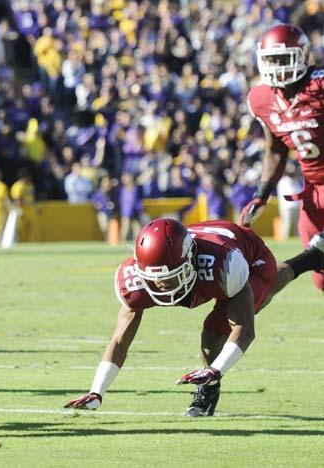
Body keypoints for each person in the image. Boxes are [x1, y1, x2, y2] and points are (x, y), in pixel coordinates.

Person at [65, 218, 324, 416]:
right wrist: (96, 391)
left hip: (250, 254)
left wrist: (214, 370)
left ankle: (207, 393)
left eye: (170, 278)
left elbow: (245, 330)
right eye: (155, 280)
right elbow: (119, 341)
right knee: (262, 294)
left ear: (189, 260)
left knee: (216, 329)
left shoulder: (224, 263)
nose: (163, 287)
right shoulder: (136, 279)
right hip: (207, 249)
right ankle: (311, 257)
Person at [240, 24, 324, 289]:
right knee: (322, 278)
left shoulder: (319, 85)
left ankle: (291, 270)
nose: (277, 66)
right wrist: (262, 194)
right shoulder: (261, 98)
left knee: (312, 256)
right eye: (271, 60)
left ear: (303, 56)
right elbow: (276, 150)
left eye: (283, 59)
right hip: (312, 191)